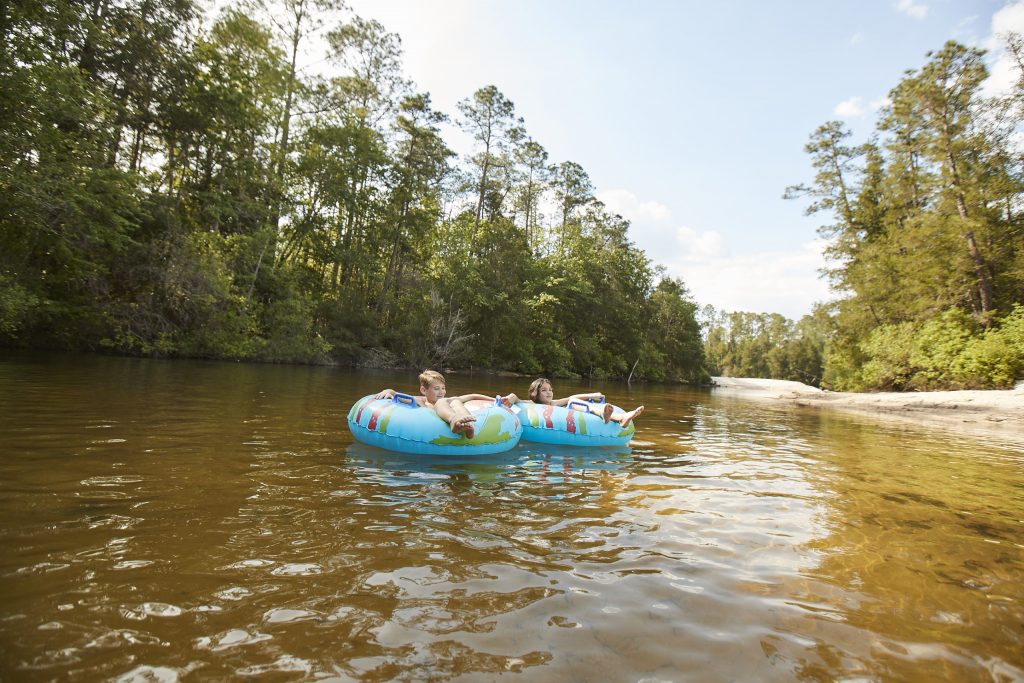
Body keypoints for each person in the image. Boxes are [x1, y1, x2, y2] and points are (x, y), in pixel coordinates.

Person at [375, 370, 515, 440]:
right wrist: (389, 391)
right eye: (436, 389)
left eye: (443, 388)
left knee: (456, 401)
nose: (441, 392)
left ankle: (467, 425)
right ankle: (454, 421)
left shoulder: (448, 399)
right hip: (445, 419)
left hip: (456, 412)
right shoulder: (420, 401)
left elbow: (473, 395)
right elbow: (399, 396)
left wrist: (494, 400)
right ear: (424, 390)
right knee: (443, 402)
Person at [505, 377, 645, 427]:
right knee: (572, 403)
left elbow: (572, 397)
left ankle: (621, 417)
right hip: (557, 417)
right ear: (534, 393)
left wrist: (593, 394)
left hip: (575, 412)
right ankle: (611, 417)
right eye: (544, 390)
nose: (549, 392)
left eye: (550, 389)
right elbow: (518, 400)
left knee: (573, 401)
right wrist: (512, 396)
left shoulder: (553, 403)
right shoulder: (533, 405)